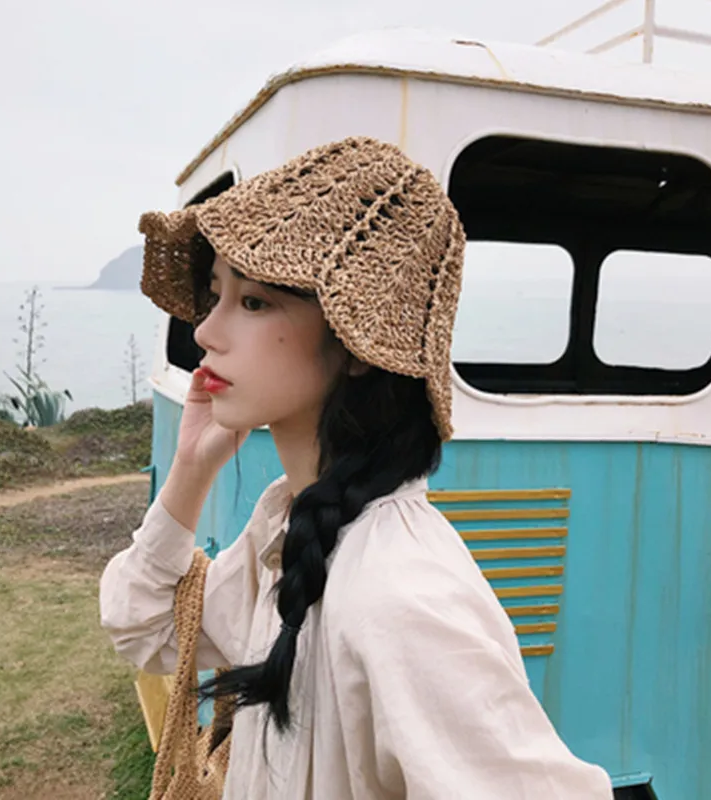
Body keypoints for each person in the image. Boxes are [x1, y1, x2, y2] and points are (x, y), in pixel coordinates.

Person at [100, 136, 613, 799]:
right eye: (215, 293)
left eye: (253, 302)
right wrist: (189, 472)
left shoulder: (402, 598)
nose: (205, 331)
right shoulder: (287, 532)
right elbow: (142, 626)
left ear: (357, 346)